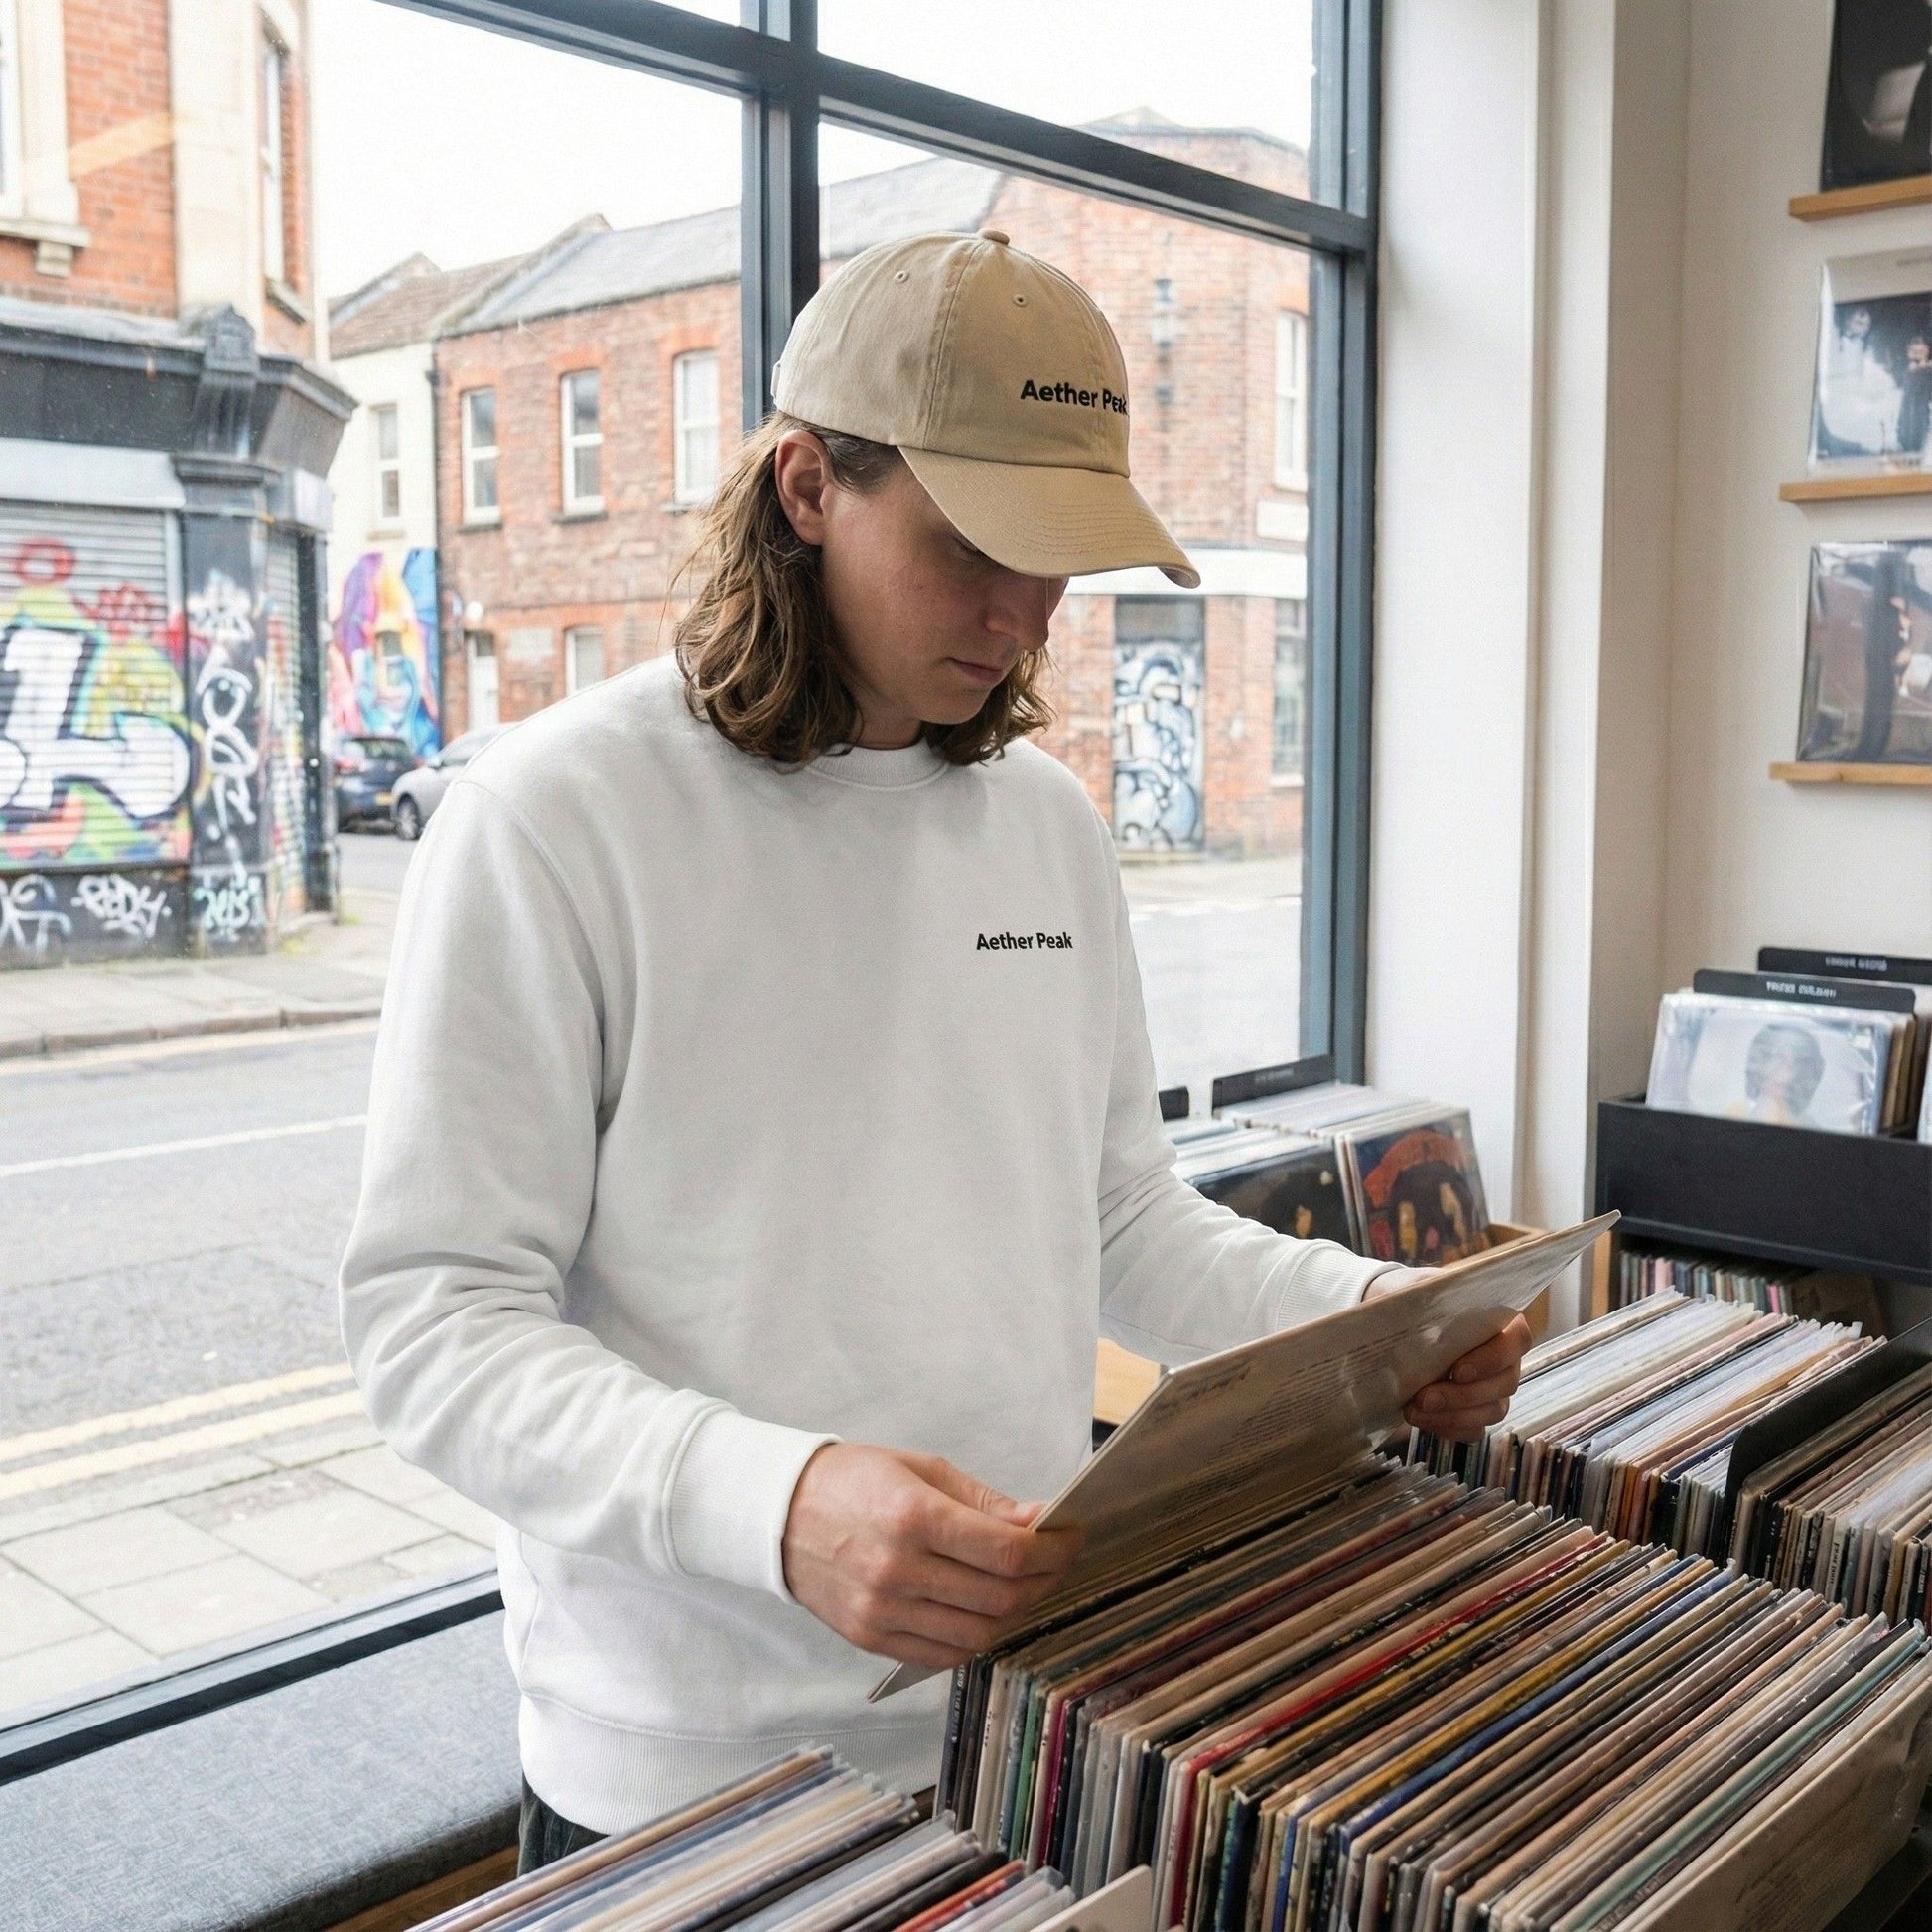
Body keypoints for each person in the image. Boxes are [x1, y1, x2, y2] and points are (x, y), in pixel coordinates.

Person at [338, 228, 1532, 1874]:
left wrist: (1366, 1324)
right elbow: (433, 1321)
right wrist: (778, 1497)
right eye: (975, 540)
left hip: (1031, 1711)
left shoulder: (1042, 824)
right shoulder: (552, 817)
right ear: (807, 484)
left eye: (1060, 556)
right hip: (683, 1765)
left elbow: (1115, 1217)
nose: (1022, 610)